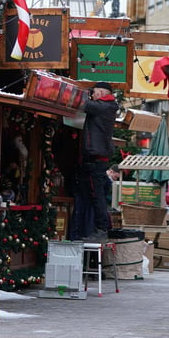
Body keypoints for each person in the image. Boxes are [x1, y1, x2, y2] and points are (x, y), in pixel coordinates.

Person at [69, 81, 119, 241]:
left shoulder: (104, 106)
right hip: (97, 157)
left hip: (96, 157)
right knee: (94, 194)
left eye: (95, 92)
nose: (93, 95)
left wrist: (84, 92)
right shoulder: (106, 106)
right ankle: (100, 228)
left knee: (96, 195)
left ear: (103, 93)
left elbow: (82, 103)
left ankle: (102, 229)